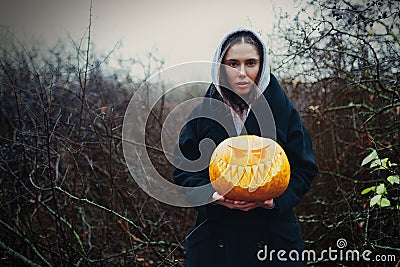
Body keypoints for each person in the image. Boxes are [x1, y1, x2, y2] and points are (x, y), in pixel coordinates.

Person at [173, 27, 318, 267]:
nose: (242, 73)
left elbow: (304, 169)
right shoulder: (203, 114)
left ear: (262, 65)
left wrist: (276, 201)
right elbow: (183, 171)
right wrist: (210, 195)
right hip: (216, 237)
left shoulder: (282, 112)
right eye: (233, 64)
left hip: (273, 238)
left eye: (250, 63)